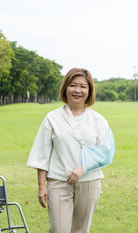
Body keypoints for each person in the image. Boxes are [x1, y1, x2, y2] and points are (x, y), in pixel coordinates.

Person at [26, 68, 115, 233]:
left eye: (83, 86)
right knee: (58, 229)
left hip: (89, 181)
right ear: (65, 88)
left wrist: (83, 169)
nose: (77, 90)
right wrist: (41, 186)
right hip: (59, 182)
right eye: (73, 85)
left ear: (89, 91)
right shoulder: (52, 118)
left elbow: (106, 152)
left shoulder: (98, 120)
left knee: (80, 230)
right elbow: (42, 154)